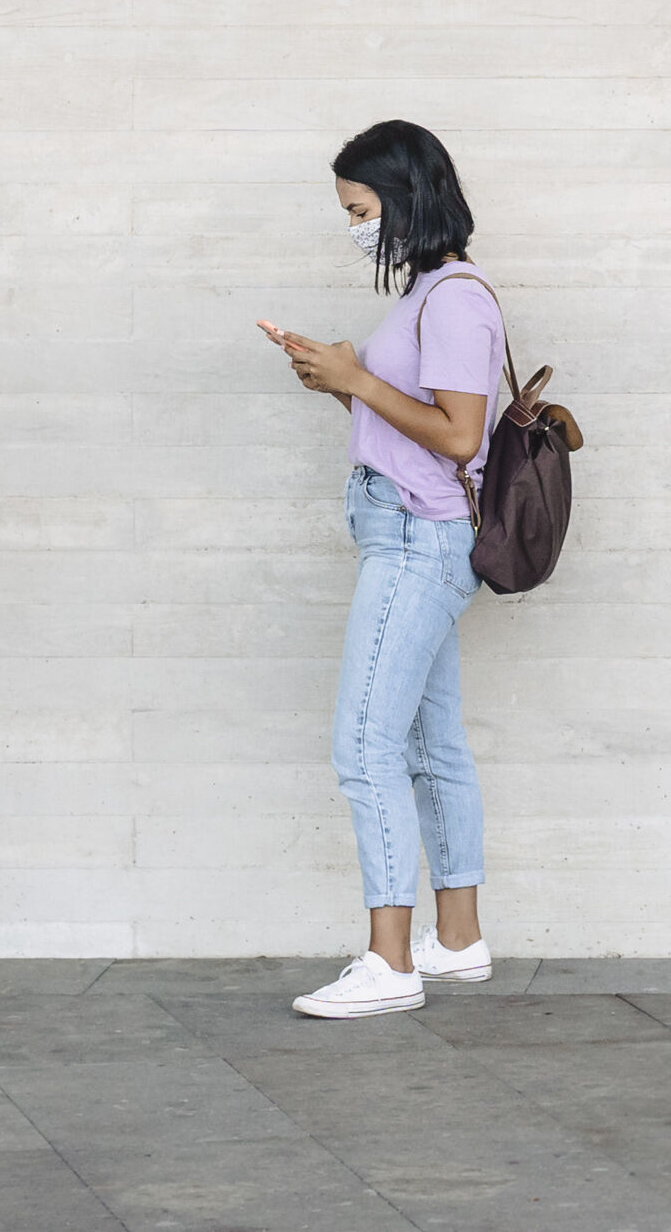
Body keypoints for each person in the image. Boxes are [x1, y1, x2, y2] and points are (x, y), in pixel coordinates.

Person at [258, 121, 507, 1019]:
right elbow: (419, 428)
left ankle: (389, 961)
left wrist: (358, 381)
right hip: (408, 530)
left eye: (361, 211)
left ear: (406, 199)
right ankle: (457, 940)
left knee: (365, 746)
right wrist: (342, 381)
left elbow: (459, 437)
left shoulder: (455, 300)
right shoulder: (429, 293)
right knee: (428, 745)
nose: (356, 229)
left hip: (417, 539)